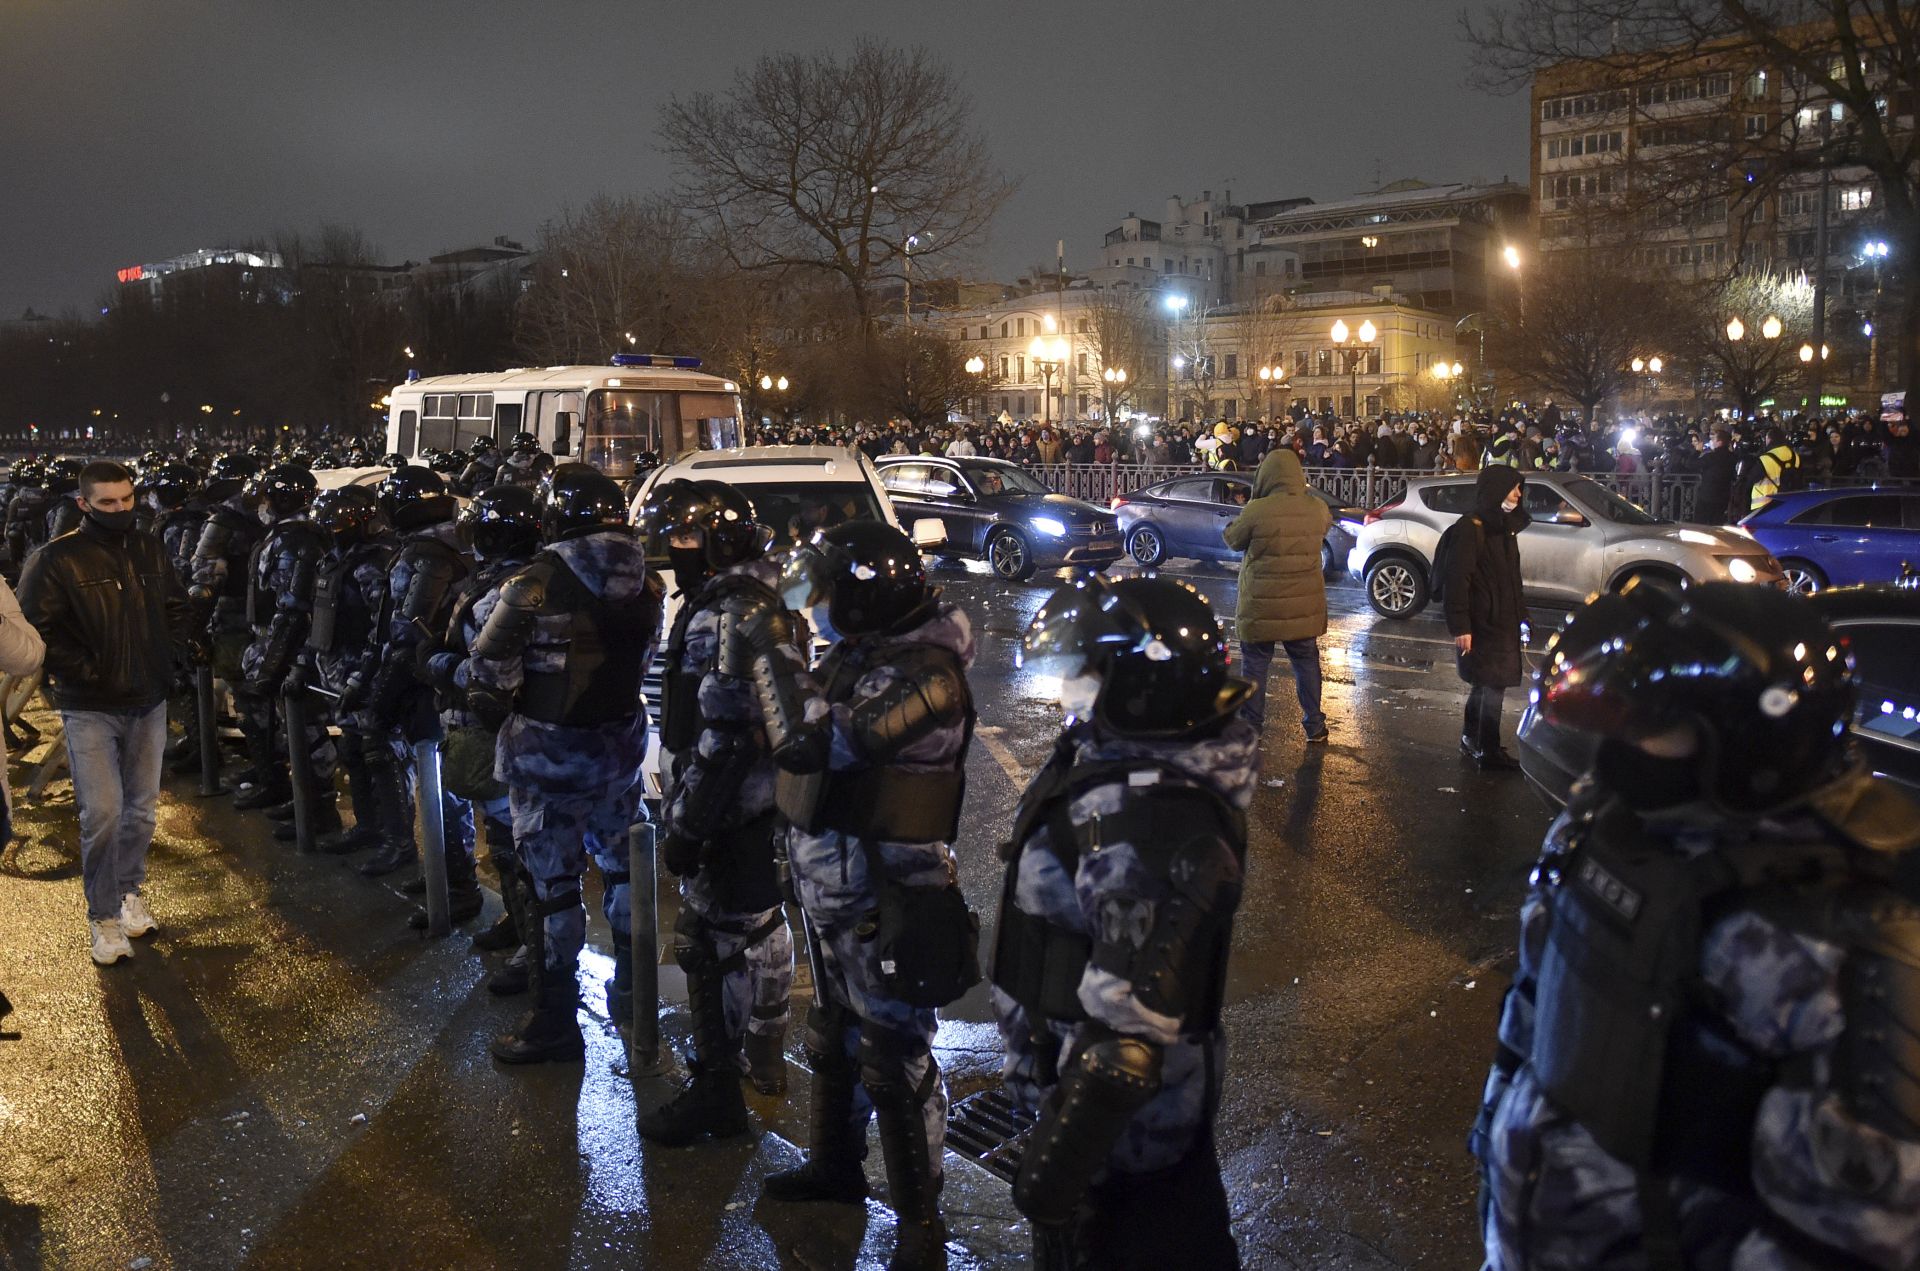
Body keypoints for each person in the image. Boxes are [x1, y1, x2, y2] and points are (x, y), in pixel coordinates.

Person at [1471, 580, 1920, 1269]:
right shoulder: (1607, 828)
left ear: (1752, 742)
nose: (1629, 750)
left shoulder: (1847, 942)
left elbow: (1857, 1237)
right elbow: (1532, 1009)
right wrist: (1495, 1146)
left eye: (1657, 729)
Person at [993, 575, 1255, 1270]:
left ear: (1140, 681)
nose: (1071, 683)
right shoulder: (1117, 764)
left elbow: (1126, 1046)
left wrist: (1051, 1177)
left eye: (1089, 667)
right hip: (1099, 1132)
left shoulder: (1151, 816)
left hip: (1123, 1148)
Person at [757, 521, 978, 1271]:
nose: (817, 606)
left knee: (895, 1056)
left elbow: (818, 742)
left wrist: (777, 649)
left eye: (829, 592)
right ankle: (836, 1171)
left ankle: (920, 1219)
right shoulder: (868, 651)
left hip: (889, 893)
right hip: (831, 882)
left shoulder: (928, 674)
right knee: (832, 1034)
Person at [468, 463, 663, 1064]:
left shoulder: (535, 582)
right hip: (618, 750)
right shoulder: (645, 581)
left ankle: (554, 1019)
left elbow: (488, 664)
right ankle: (634, 997)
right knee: (626, 873)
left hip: (547, 758)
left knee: (553, 889)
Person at [633, 479, 800, 1146]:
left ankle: (717, 1092)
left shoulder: (721, 616)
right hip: (765, 806)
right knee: (761, 923)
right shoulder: (760, 600)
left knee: (710, 941)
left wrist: (688, 824)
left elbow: (725, 737)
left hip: (731, 809)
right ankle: (763, 1047)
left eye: (681, 539)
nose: (673, 552)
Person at [18, 461, 194, 965]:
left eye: (127, 500)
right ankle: (103, 916)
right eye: (108, 503)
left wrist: (172, 655)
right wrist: (89, 670)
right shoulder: (55, 559)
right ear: (83, 504)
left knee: (140, 811)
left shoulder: (148, 546)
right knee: (103, 812)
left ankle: (126, 893)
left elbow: (175, 606)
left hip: (148, 700)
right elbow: (36, 631)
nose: (120, 510)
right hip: (90, 705)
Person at [422, 485, 541, 962]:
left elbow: (487, 671)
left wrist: (436, 664)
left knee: (516, 842)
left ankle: (534, 948)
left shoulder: (506, 591)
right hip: (499, 729)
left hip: (501, 729)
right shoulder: (507, 581)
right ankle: (519, 925)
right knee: (504, 835)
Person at [359, 465, 471, 883]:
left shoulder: (427, 552)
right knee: (443, 785)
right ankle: (447, 876)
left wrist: (383, 691)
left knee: (441, 787)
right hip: (445, 674)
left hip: (428, 677)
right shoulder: (457, 541)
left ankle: (454, 884)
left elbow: (408, 626)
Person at [306, 486, 398, 857]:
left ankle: (395, 840)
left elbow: (383, 629)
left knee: (379, 757)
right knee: (353, 752)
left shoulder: (371, 565)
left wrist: (363, 678)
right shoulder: (335, 560)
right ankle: (367, 827)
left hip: (366, 675)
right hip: (339, 673)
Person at [1223, 449, 1331, 743]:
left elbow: (1233, 539)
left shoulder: (1257, 510)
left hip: (1261, 604)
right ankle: (1315, 725)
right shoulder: (1317, 507)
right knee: (1307, 662)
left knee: (1256, 664)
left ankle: (1253, 728)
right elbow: (1323, 529)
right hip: (1303, 605)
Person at [1444, 465, 1528, 770]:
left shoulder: (1504, 526)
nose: (1519, 494)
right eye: (1513, 488)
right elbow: (1458, 578)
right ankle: (1487, 750)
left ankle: (1472, 738)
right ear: (1496, 490)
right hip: (1483, 622)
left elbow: (1512, 578)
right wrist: (1461, 626)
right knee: (1492, 685)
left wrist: (1523, 616)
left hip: (1503, 620)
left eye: (1520, 488)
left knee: (1486, 684)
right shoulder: (1473, 526)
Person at [1692, 427, 1738, 524]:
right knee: (1716, 524)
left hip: (1707, 496)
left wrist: (1697, 451)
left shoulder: (1710, 457)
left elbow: (1690, 464)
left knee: (1701, 525)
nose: (1711, 441)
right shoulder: (1733, 457)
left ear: (1719, 442)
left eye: (1713, 439)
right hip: (1723, 497)